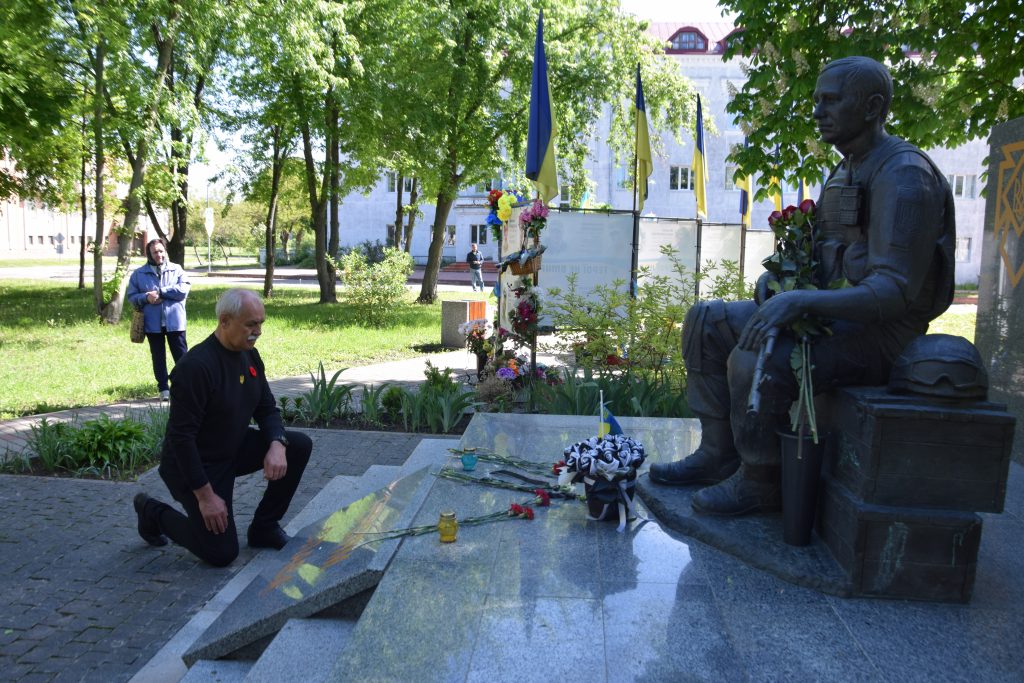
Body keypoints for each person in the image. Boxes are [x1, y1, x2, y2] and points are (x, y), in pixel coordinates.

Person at [649, 56, 956, 516]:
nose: (817, 111)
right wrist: (779, 282)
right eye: (816, 100)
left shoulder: (905, 175)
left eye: (831, 100)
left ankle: (760, 480)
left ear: (873, 107)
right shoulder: (844, 171)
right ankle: (717, 454)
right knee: (706, 321)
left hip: (878, 338)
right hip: (830, 321)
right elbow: (819, 260)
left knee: (757, 355)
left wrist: (799, 302)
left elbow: (893, 292)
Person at [132, 289, 313, 566]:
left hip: (231, 449)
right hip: (194, 465)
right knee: (221, 553)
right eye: (251, 324)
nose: (258, 331)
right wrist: (206, 497)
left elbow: (267, 409)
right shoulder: (196, 368)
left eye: (261, 323)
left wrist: (277, 444)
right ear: (225, 321)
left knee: (297, 445)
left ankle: (264, 528)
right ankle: (151, 511)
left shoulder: (250, 356)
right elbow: (181, 439)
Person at [126, 239, 190, 400]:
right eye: (155, 252)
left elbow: (183, 289)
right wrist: (146, 298)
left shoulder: (176, 269)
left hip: (175, 322)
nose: (159, 254)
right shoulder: (139, 274)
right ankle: (163, 389)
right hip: (152, 324)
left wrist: (161, 292)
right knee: (158, 357)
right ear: (149, 254)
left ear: (165, 251)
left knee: (182, 357)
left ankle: (184, 387)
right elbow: (132, 296)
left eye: (161, 251)